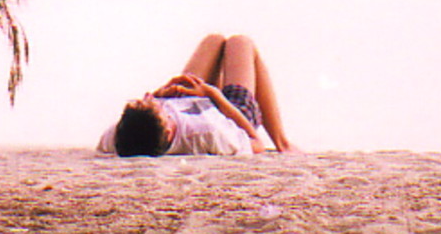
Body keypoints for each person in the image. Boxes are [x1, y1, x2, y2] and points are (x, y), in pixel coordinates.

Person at [98, 34, 296, 156]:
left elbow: (148, 116)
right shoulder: (206, 133)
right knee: (241, 43)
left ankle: (191, 92)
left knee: (213, 41)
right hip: (227, 113)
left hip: (189, 103)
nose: (151, 97)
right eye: (158, 106)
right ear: (169, 132)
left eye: (147, 100)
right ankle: (283, 143)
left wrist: (162, 95)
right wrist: (213, 94)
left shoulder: (117, 137)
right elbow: (256, 142)